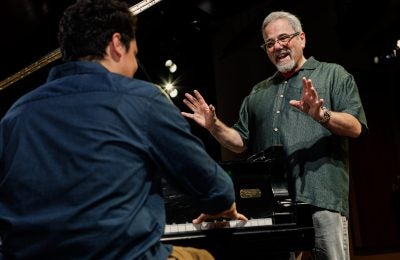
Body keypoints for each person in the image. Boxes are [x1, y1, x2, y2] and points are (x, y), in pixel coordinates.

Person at [0, 0, 248, 259]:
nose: (134, 66)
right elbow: (215, 186)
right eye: (134, 54)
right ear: (118, 44)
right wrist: (224, 207)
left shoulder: (16, 115)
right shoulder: (142, 100)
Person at [182, 11, 368, 260]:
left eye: (283, 38)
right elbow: (239, 143)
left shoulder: (333, 75)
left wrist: (322, 114)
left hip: (321, 196)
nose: (277, 46)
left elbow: (355, 127)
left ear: (301, 38)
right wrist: (213, 124)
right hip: (274, 203)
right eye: (269, 43)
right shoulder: (258, 92)